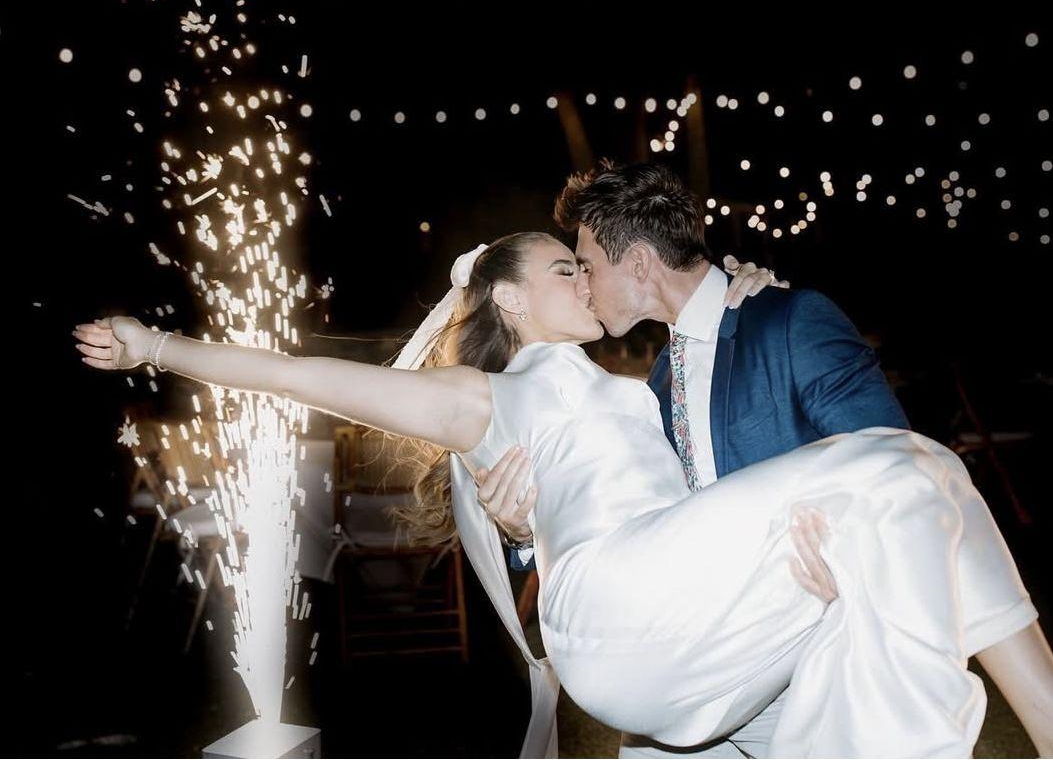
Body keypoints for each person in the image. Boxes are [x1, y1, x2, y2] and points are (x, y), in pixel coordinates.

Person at [73, 232, 1053, 758]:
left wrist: (738, 291)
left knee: (914, 520)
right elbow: (299, 377)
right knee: (908, 464)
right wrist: (155, 345)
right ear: (506, 298)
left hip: (685, 632)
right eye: (563, 269)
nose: (586, 280)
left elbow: (716, 473)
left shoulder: (639, 383)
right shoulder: (484, 396)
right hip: (615, 604)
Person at [474, 161, 909, 758]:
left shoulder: (785, 321)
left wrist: (848, 568)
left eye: (587, 267)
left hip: (809, 651)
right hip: (690, 660)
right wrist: (523, 531)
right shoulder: (650, 388)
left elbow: (896, 463)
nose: (583, 287)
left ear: (639, 264)